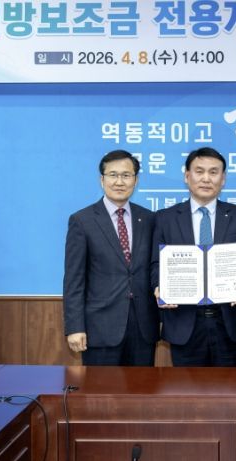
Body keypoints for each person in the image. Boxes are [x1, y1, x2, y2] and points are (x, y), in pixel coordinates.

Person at [151, 147, 236, 366]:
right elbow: (156, 263)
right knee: (186, 387)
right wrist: (158, 286)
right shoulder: (165, 218)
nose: (206, 178)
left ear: (223, 178)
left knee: (233, 386)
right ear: (187, 176)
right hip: (184, 322)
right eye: (199, 171)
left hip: (231, 321)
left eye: (213, 172)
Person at [63, 150, 159, 365]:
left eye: (126, 175)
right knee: (100, 387)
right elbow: (73, 280)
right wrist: (75, 327)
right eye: (113, 175)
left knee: (142, 385)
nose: (119, 182)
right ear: (102, 179)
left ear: (135, 180)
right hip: (100, 327)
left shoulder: (149, 218)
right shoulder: (82, 221)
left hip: (143, 327)